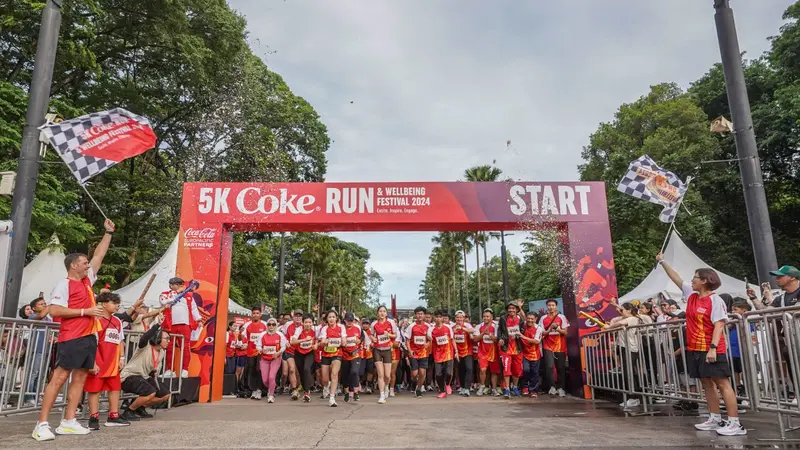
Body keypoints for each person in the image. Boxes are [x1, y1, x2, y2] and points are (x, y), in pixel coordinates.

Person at [33, 219, 115, 441]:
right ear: (73, 265)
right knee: (59, 378)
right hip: (72, 336)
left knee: (80, 378)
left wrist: (108, 233)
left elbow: (99, 256)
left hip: (89, 336)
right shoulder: (64, 284)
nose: (89, 265)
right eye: (84, 262)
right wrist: (85, 312)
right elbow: (55, 309)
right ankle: (41, 424)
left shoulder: (87, 282)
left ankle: (68, 421)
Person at [657, 252, 745, 436]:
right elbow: (677, 279)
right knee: (706, 383)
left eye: (695, 277)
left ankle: (735, 423)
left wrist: (713, 348)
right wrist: (662, 262)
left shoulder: (715, 300)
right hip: (695, 348)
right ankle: (715, 418)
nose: (692, 280)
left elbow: (719, 324)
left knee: (723, 384)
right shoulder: (691, 295)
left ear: (705, 281)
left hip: (711, 348)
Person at [84, 292, 130, 429]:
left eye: (118, 303)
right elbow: (90, 342)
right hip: (98, 360)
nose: (117, 306)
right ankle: (93, 417)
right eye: (114, 303)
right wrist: (91, 362)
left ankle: (113, 416)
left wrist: (122, 357)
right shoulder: (95, 320)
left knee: (115, 388)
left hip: (113, 361)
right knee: (94, 389)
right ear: (104, 304)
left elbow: (120, 340)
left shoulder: (117, 321)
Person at [120, 325, 172, 419]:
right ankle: (129, 411)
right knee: (150, 392)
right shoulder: (145, 346)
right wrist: (156, 326)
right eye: (167, 338)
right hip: (129, 376)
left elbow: (154, 368)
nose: (169, 341)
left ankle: (140, 407)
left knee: (165, 394)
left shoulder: (162, 352)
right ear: (158, 337)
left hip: (144, 377)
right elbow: (144, 338)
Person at [159, 277, 202, 378]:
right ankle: (169, 370)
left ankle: (184, 370)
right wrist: (177, 293)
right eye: (176, 284)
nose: (179, 286)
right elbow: (164, 302)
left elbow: (194, 309)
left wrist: (199, 319)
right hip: (170, 324)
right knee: (169, 347)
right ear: (171, 285)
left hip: (185, 324)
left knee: (185, 347)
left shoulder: (189, 296)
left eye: (180, 285)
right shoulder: (165, 294)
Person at [539, 299, 568, 397]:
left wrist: (558, 328)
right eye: (549, 305)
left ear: (556, 306)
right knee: (550, 367)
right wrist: (550, 328)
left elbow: (565, 332)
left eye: (553, 305)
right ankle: (552, 387)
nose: (551, 307)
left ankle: (561, 388)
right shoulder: (543, 318)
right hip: (547, 345)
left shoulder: (561, 317)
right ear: (547, 306)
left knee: (560, 367)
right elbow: (542, 333)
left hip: (560, 346)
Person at [317, 310, 346, 407]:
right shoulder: (324, 328)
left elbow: (344, 340)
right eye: (329, 317)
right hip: (326, 354)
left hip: (337, 353)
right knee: (325, 379)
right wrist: (325, 342)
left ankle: (332, 398)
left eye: (333, 317)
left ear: (336, 318)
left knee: (334, 373)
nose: (331, 319)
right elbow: (322, 341)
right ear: (327, 319)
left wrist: (343, 341)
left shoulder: (341, 327)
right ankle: (327, 386)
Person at [371, 305, 399, 404]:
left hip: (387, 350)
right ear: (377, 313)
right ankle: (382, 395)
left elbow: (395, 335)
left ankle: (386, 386)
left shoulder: (391, 322)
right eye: (380, 311)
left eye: (384, 311)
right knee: (380, 374)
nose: (382, 313)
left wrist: (389, 335)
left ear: (386, 313)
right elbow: (371, 335)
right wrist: (373, 339)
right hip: (377, 350)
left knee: (387, 375)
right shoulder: (374, 324)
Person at [497, 302, 525, 398]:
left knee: (517, 371)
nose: (511, 310)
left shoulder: (520, 319)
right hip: (506, 349)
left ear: (517, 309)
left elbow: (523, 330)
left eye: (513, 308)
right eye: (509, 308)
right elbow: (499, 330)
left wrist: (518, 335)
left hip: (517, 348)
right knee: (506, 369)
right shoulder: (503, 318)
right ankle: (507, 389)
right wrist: (500, 338)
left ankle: (515, 387)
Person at [428, 309, 456, 399]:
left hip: (448, 352)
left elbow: (452, 340)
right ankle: (442, 391)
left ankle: (447, 384)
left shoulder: (448, 328)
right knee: (438, 374)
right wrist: (426, 344)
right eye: (437, 317)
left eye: (440, 317)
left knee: (448, 373)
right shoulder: (431, 329)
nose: (438, 319)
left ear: (443, 319)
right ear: (434, 318)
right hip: (437, 354)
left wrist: (457, 351)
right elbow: (429, 340)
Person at [290, 314, 318, 403]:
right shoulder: (299, 330)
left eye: (310, 322)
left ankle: (307, 392)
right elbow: (292, 341)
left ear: (312, 323)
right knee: (302, 373)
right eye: (306, 322)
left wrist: (316, 345)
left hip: (310, 353)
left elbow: (318, 339)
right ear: (302, 323)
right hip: (299, 354)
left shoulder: (315, 330)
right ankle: (305, 390)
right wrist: (303, 340)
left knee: (306, 369)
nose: (308, 324)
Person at [405, 306, 432, 398]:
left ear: (424, 315)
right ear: (415, 315)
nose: (420, 315)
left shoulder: (428, 326)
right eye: (418, 314)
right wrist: (410, 350)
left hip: (424, 353)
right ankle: (414, 382)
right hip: (414, 353)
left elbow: (431, 339)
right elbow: (407, 340)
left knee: (422, 372)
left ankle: (419, 388)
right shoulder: (411, 326)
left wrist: (428, 343)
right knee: (414, 373)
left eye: (421, 314)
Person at [259, 318, 288, 403]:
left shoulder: (280, 335)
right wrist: (261, 350)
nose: (271, 326)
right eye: (269, 324)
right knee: (265, 380)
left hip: (275, 358)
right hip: (264, 359)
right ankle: (271, 388)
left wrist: (279, 353)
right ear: (267, 326)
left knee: (271, 377)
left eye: (273, 324)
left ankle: (271, 395)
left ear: (276, 325)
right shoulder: (262, 334)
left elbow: (284, 346)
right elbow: (258, 345)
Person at [241, 306, 267, 399]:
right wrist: (242, 340)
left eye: (257, 313)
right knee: (251, 370)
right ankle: (253, 390)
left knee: (259, 370)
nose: (255, 315)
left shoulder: (265, 324)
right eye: (254, 313)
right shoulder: (247, 325)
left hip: (260, 352)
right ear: (251, 314)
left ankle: (260, 389)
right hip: (250, 352)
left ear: (260, 314)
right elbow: (242, 337)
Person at [473, 308, 500, 396]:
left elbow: (497, 339)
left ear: (491, 317)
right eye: (484, 316)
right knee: (482, 370)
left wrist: (490, 334)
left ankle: (494, 389)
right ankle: (482, 386)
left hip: (493, 353)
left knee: (494, 372)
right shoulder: (479, 326)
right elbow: (475, 339)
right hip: (482, 352)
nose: (486, 318)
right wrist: (483, 333)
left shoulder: (496, 326)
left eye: (488, 316)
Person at [341, 312, 365, 402]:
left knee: (354, 372)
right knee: (345, 374)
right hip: (344, 355)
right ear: (345, 321)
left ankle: (356, 392)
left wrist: (359, 340)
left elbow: (362, 337)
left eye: (351, 320)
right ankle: (346, 392)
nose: (350, 322)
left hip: (355, 354)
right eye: (348, 321)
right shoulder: (341, 329)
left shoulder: (358, 328)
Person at [280, 309, 303, 399]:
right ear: (293, 317)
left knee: (298, 372)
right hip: (289, 351)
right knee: (291, 370)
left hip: (300, 352)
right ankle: (294, 390)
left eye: (300, 316)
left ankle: (296, 387)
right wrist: (285, 342)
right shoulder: (287, 325)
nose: (298, 317)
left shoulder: (304, 325)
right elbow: (282, 335)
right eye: (296, 316)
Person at [519, 311, 543, 397]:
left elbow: (536, 341)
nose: (530, 320)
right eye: (528, 318)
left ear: (535, 319)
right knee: (525, 370)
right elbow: (522, 315)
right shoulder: (523, 325)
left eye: (532, 319)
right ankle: (525, 387)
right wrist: (520, 308)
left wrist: (524, 337)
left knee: (534, 373)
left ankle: (533, 390)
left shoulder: (538, 328)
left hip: (535, 354)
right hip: (524, 353)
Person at [453, 311, 475, 396]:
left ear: (463, 318)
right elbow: (452, 339)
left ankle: (467, 388)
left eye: (461, 317)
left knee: (469, 368)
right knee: (461, 370)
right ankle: (462, 386)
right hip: (458, 352)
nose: (459, 319)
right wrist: (456, 351)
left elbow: (472, 331)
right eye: (457, 317)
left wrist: (462, 328)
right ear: (455, 318)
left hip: (468, 351)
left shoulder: (467, 325)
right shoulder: (452, 327)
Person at [360, 318, 375, 394]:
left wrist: (372, 344)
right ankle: (361, 385)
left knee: (370, 371)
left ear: (369, 325)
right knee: (361, 372)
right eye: (364, 324)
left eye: (367, 324)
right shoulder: (359, 332)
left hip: (370, 355)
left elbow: (375, 342)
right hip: (361, 355)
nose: (365, 325)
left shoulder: (372, 333)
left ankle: (369, 386)